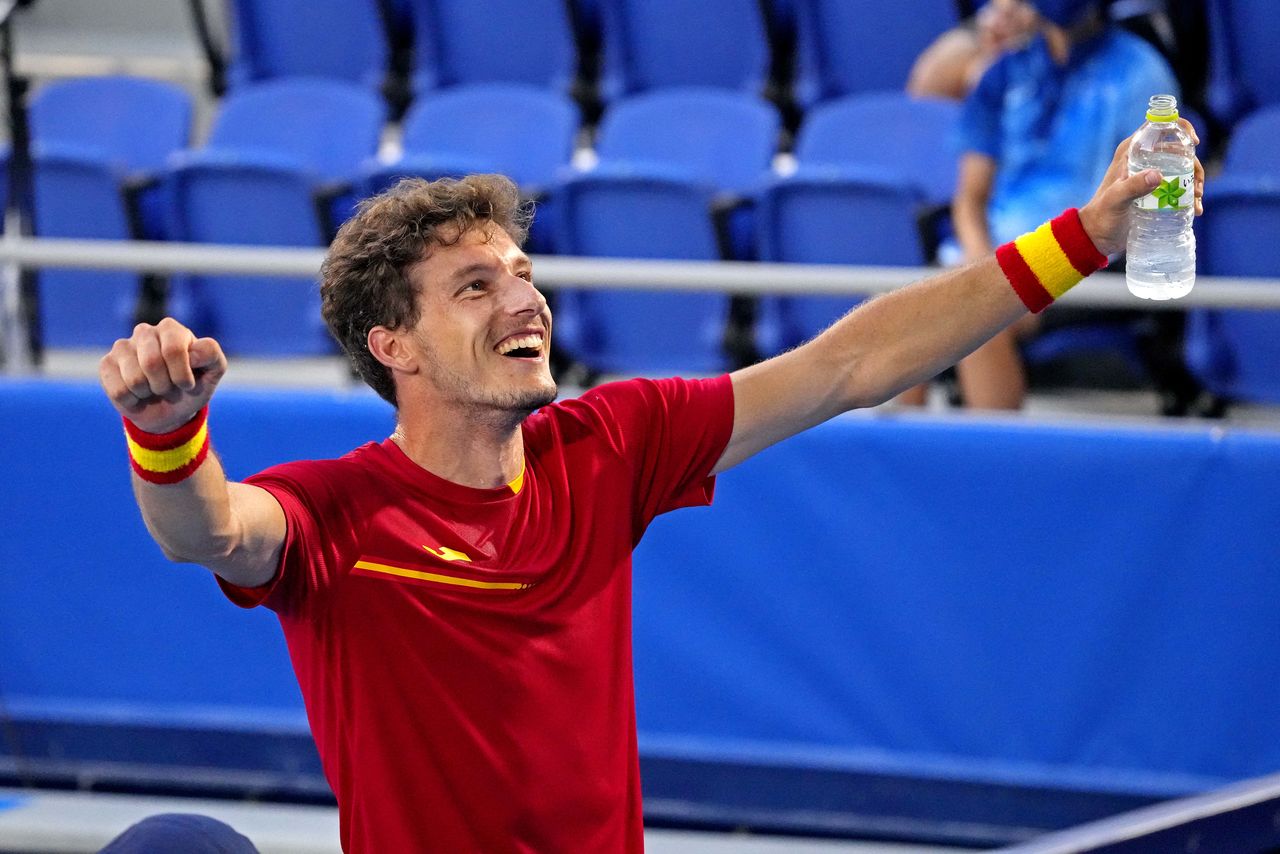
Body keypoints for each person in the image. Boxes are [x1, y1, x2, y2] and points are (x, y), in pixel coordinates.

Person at [99, 126, 1202, 850]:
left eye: (523, 274)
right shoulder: (339, 513)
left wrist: (1088, 237)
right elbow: (209, 528)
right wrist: (168, 434)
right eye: (474, 286)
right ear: (395, 345)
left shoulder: (609, 442)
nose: (522, 300)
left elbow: (845, 367)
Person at [901, 0, 1181, 410]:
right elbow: (970, 199)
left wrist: (998, 279)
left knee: (982, 315)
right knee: (908, 311)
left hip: (1086, 257)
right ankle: (898, 463)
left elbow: (1157, 201)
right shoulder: (1003, 73)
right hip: (996, 253)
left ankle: (998, 463)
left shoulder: (1144, 75)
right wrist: (983, 264)